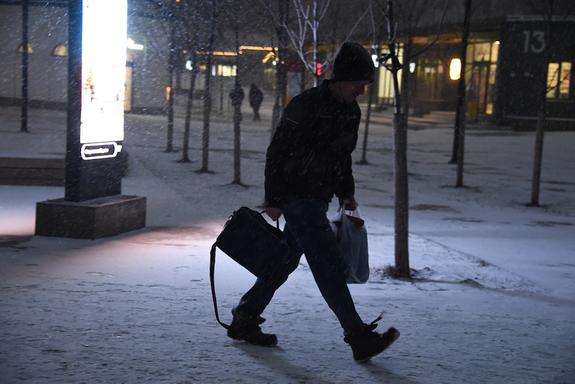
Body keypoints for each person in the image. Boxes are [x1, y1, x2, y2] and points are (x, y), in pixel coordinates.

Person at [227, 42, 399, 362]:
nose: (362, 91)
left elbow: (342, 156)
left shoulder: (351, 111)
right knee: (326, 262)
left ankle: (246, 315)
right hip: (295, 195)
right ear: (343, 79)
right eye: (360, 84)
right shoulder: (305, 105)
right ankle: (357, 336)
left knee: (285, 260)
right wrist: (274, 198)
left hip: (317, 197)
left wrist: (346, 192)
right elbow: (277, 152)